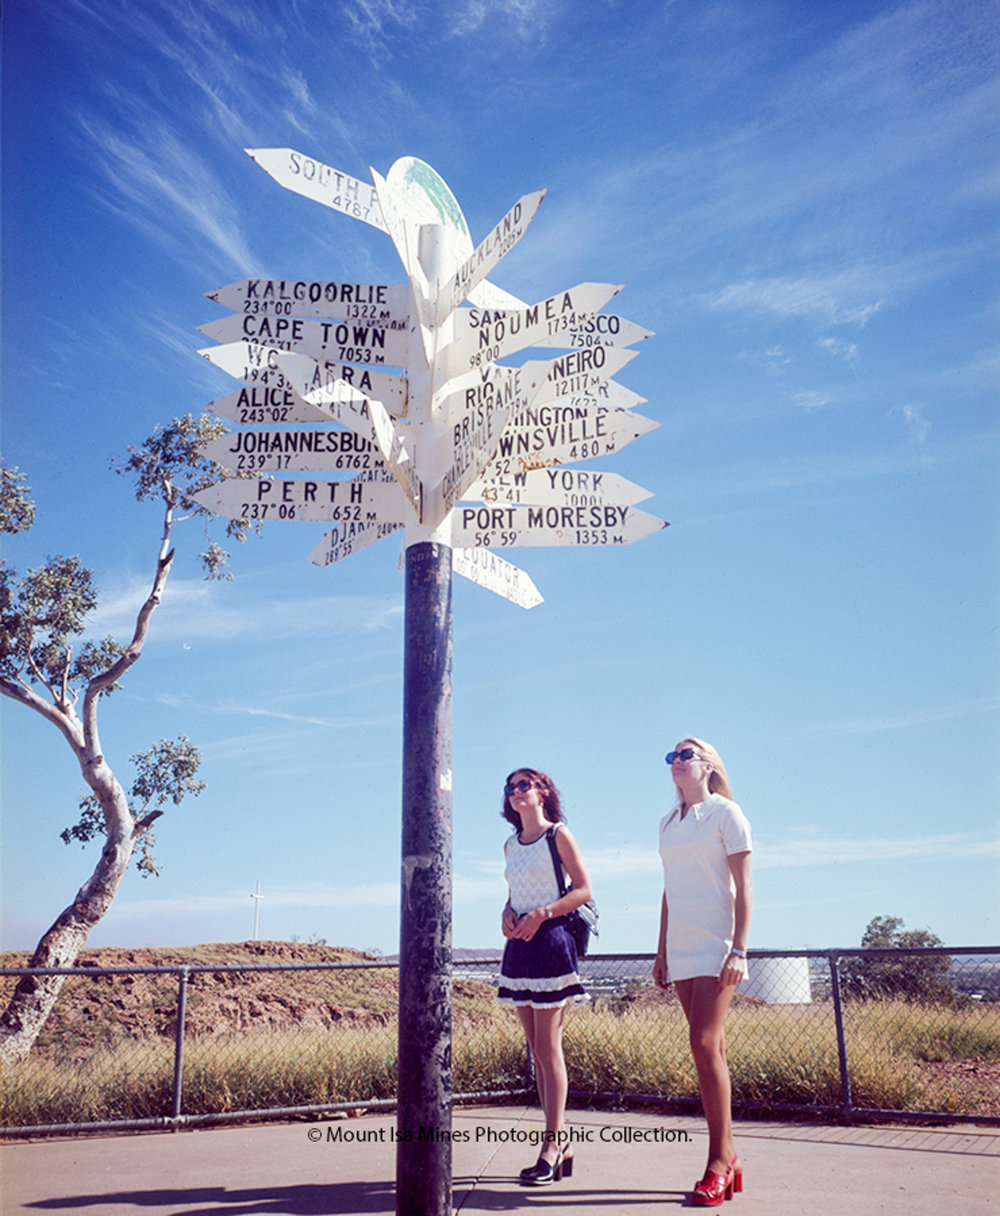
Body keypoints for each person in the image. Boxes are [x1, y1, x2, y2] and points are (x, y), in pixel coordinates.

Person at [653, 738, 753, 1207]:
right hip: (682, 948)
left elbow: (745, 887)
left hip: (717, 945)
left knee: (702, 1042)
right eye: (671, 756)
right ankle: (729, 1158)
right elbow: (670, 891)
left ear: (708, 765)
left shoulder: (727, 815)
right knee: (710, 1047)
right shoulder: (668, 824)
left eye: (685, 754)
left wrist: (739, 949)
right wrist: (661, 953)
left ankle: (719, 1159)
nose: (676, 761)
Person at [497, 767, 593, 1186]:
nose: (516, 792)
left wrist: (542, 913)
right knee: (535, 1049)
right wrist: (507, 910)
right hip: (520, 945)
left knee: (549, 1048)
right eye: (510, 787)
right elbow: (516, 889)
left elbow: (584, 889)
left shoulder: (558, 835)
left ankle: (552, 1146)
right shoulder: (509, 844)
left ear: (542, 793)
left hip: (551, 941)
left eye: (524, 785)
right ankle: (561, 1139)